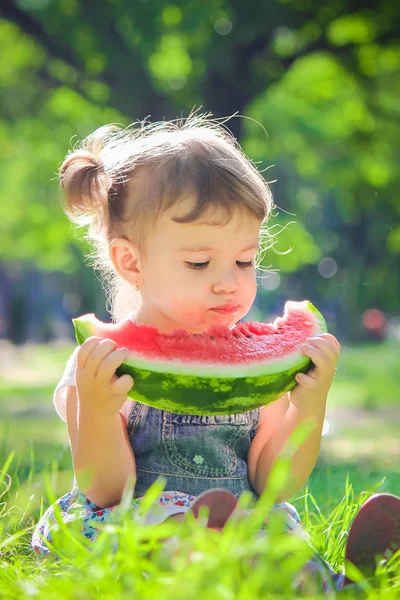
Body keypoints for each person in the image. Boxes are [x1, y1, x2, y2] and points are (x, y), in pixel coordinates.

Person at [32, 114, 400, 592]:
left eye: (245, 260)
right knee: (174, 545)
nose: (229, 281)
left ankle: (347, 582)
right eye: (199, 262)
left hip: (243, 517)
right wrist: (98, 412)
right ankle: (229, 556)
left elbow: (273, 482)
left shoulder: (260, 372)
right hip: (143, 522)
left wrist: (308, 408)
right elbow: (105, 490)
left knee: (276, 543)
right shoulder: (101, 365)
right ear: (131, 260)